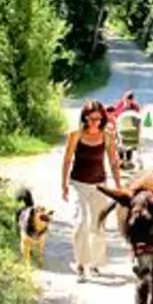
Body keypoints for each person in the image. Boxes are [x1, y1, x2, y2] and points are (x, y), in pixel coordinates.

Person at [59, 99, 122, 281]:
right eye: (90, 118)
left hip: (99, 185)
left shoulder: (107, 135)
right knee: (81, 223)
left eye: (97, 118)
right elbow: (67, 160)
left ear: (102, 118)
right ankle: (81, 263)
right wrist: (63, 184)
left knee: (98, 225)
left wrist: (118, 187)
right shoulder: (76, 135)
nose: (94, 122)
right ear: (84, 118)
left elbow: (113, 161)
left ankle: (95, 263)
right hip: (78, 183)